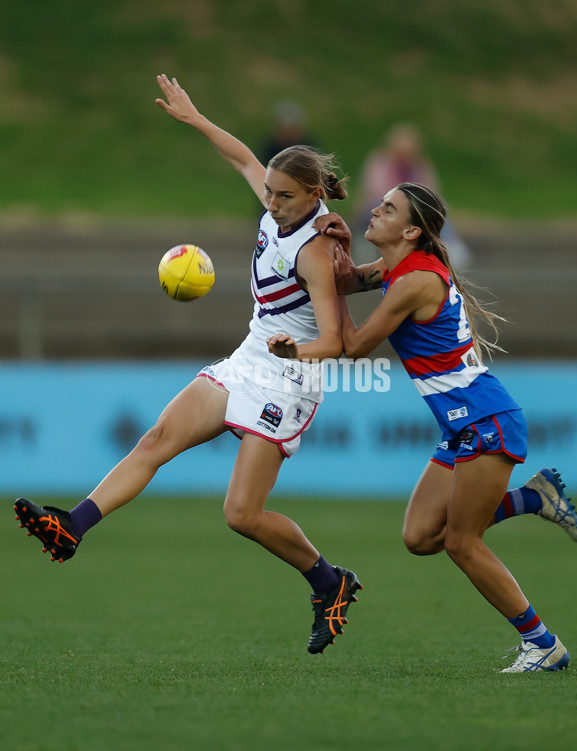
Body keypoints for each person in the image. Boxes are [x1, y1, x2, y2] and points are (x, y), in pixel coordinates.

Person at [13, 74, 362, 656]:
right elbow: (245, 158)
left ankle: (330, 582)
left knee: (242, 514)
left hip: (290, 375)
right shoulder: (280, 206)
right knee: (155, 439)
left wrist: (292, 352)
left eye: (283, 197)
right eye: (269, 192)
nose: (270, 203)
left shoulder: (318, 249)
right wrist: (197, 119)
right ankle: (71, 527)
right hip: (249, 358)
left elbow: (339, 340)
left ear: (313, 195)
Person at [305, 182, 577, 673]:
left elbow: (350, 347)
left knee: (460, 542)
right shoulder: (396, 269)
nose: (376, 209)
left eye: (388, 208)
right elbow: (345, 282)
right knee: (420, 537)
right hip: (465, 426)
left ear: (412, 230)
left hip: (485, 420)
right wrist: (339, 243)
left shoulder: (414, 281)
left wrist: (326, 314)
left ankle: (543, 645)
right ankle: (531, 498)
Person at [353, 124, 470, 269]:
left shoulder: (419, 166)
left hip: (411, 206)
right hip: (385, 203)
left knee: (439, 211)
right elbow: (377, 190)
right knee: (375, 207)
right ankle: (367, 244)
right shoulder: (380, 163)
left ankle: (449, 245)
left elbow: (431, 191)